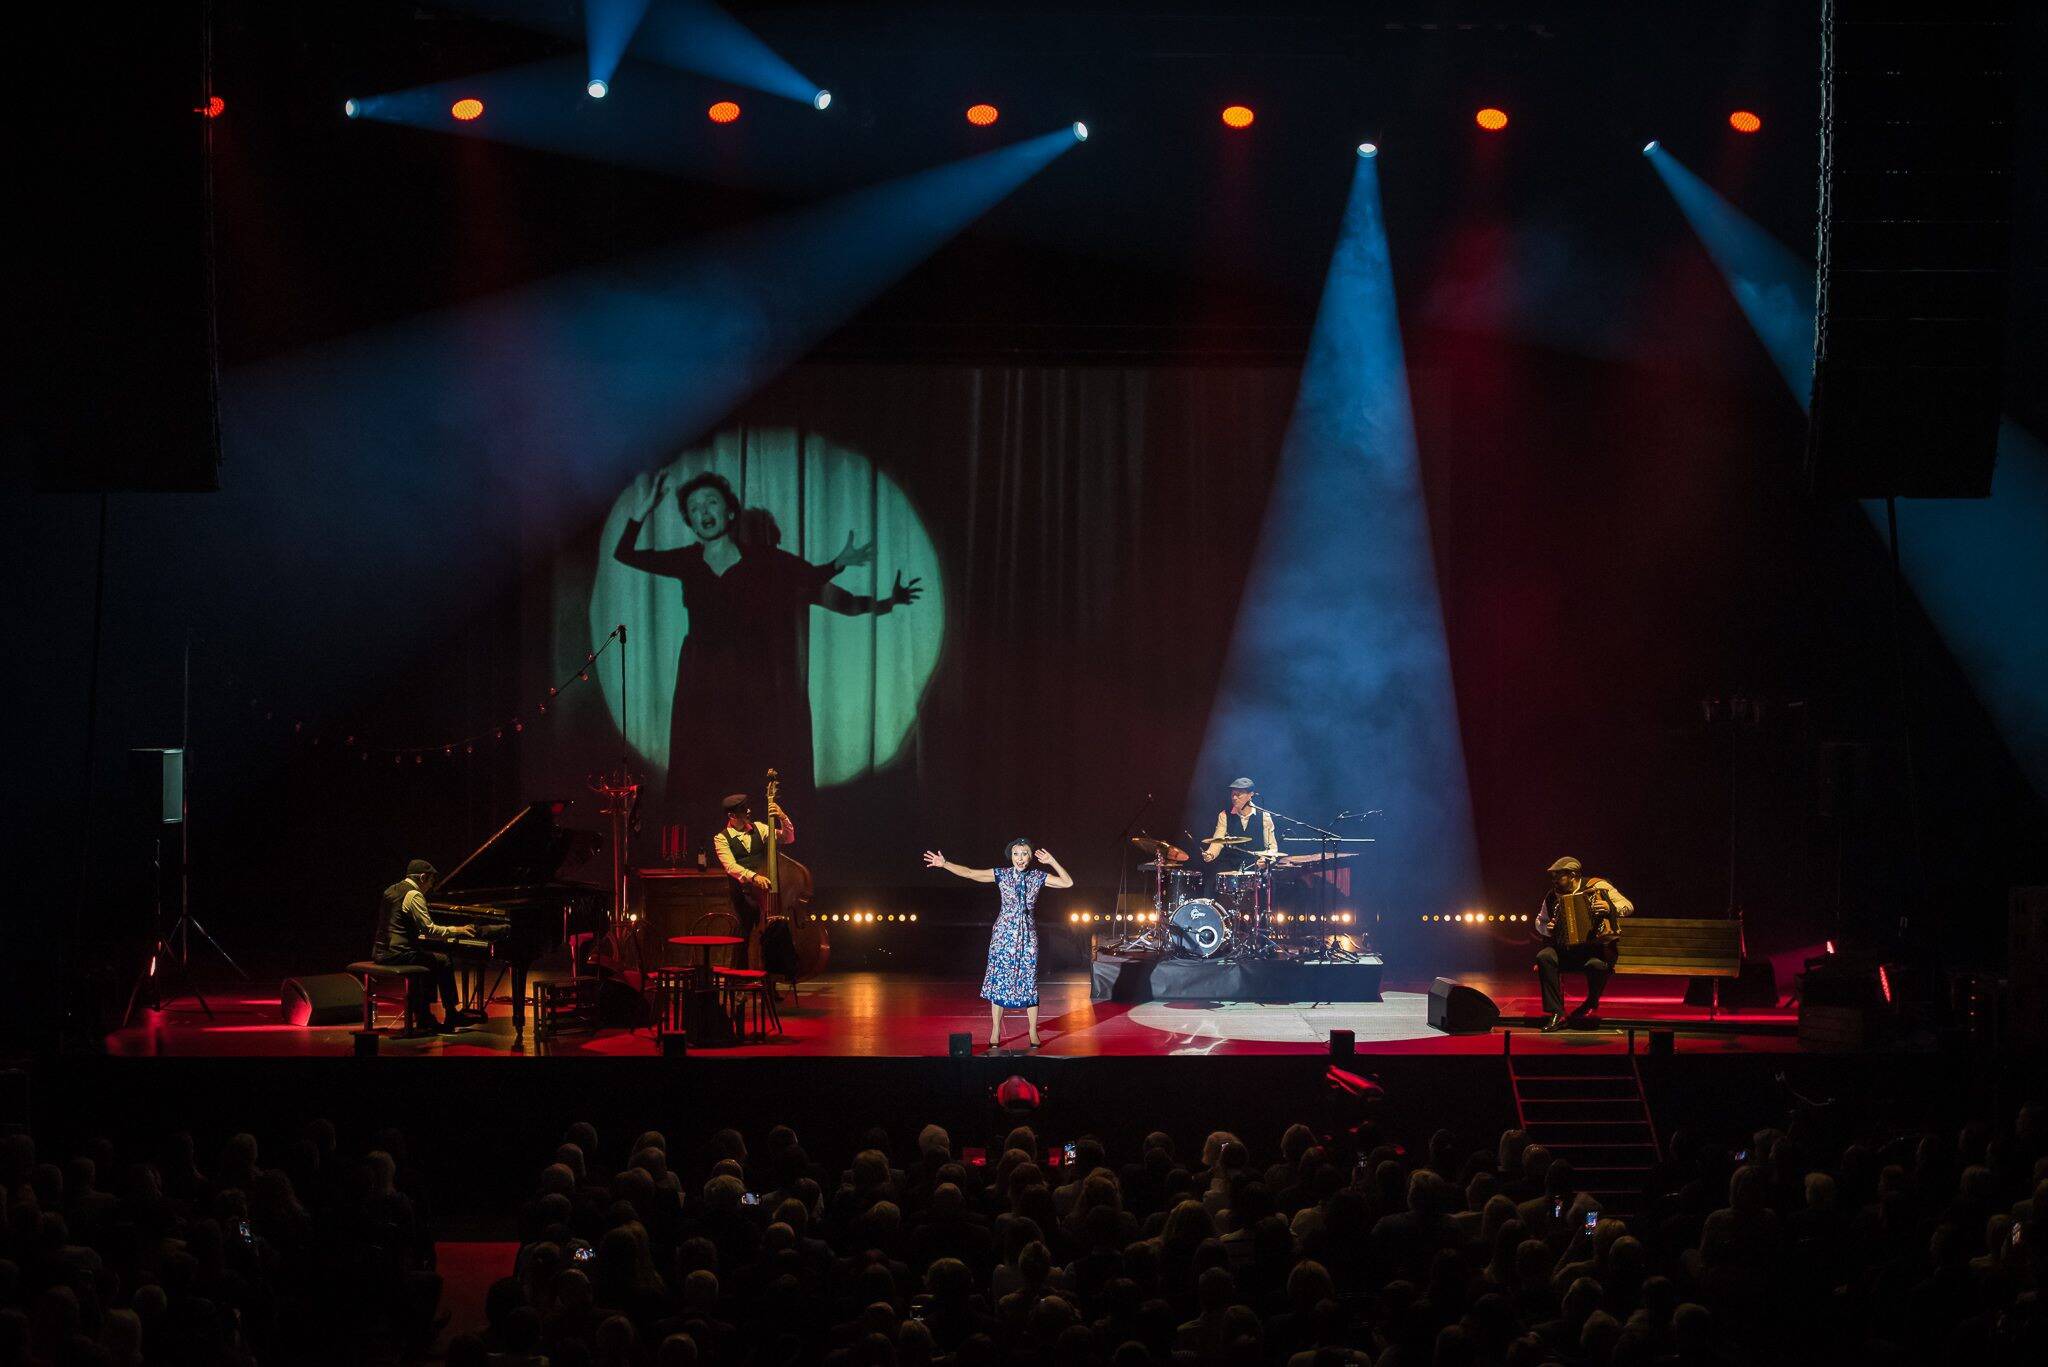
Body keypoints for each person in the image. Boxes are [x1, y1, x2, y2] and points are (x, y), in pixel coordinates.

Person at [612, 470, 923, 830]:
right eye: (694, 507)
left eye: (711, 502)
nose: (703, 511)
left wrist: (876, 592)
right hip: (703, 678)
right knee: (701, 765)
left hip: (750, 678)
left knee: (751, 763)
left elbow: (814, 581)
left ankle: (759, 848)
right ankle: (706, 849)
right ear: (690, 520)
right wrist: (643, 511)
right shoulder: (687, 560)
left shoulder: (764, 559)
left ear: (730, 512)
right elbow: (624, 553)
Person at [922, 840, 1073, 1051]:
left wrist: (1051, 861)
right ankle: (995, 1029)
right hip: (1003, 935)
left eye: (1024, 854)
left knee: (1028, 980)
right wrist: (945, 863)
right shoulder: (1001, 874)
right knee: (1000, 981)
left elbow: (1067, 883)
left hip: (1027, 936)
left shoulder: (1038, 876)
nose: (1020, 858)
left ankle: (1032, 1030)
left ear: (1030, 857)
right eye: (1016, 854)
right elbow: (970, 873)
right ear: (1011, 857)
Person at [373, 859, 480, 1035]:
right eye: (431, 881)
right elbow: (429, 929)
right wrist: (457, 929)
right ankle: (451, 1014)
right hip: (397, 953)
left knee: (429, 959)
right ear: (423, 877)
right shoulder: (414, 894)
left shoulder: (391, 890)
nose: (431, 887)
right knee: (443, 960)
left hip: (381, 952)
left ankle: (424, 1016)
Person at [1532, 856, 1634, 1031]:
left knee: (1598, 966)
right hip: (1566, 949)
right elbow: (1540, 921)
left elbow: (1628, 905)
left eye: (1558, 875)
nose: (1554, 880)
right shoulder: (1552, 896)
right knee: (1544, 957)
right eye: (1553, 876)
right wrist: (1548, 928)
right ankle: (1557, 1013)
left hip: (1594, 949)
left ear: (1572, 875)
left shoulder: (1597, 886)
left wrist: (1610, 908)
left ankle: (1590, 1002)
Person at [711, 792, 797, 962]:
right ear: (731, 815)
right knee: (743, 936)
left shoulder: (761, 828)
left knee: (773, 932)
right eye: (743, 811)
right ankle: (739, 979)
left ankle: (774, 970)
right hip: (743, 895)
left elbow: (788, 838)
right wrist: (754, 876)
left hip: (766, 894)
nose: (748, 812)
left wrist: (782, 816)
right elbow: (731, 866)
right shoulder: (721, 838)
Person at [1201, 778, 1278, 870]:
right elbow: (1218, 841)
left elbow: (1271, 847)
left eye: (1238, 794)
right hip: (1230, 867)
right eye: (1233, 794)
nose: (1234, 798)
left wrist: (1265, 860)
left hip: (1254, 867)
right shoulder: (1224, 815)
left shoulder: (1264, 816)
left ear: (1250, 795)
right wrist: (1210, 853)